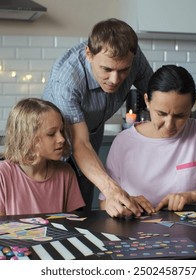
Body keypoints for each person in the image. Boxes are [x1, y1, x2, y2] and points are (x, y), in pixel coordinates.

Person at [99, 65, 196, 212]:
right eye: (161, 114)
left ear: (192, 106)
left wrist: (192, 196)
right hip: (135, 231)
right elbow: (105, 202)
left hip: (192, 231)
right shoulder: (123, 141)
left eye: (180, 116)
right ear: (147, 101)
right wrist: (122, 205)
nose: (169, 125)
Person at [43, 18, 153, 217]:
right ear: (89, 54)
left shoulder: (134, 58)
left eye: (123, 71)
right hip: (55, 149)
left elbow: (156, 97)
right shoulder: (66, 81)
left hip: (90, 138)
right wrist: (112, 190)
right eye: (107, 69)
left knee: (83, 215)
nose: (115, 80)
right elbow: (79, 143)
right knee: (55, 219)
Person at [0, 98, 85, 216]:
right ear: (28, 137)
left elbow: (72, 224)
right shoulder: (0, 174)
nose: (62, 139)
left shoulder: (66, 172)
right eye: (51, 133)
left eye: (61, 131)